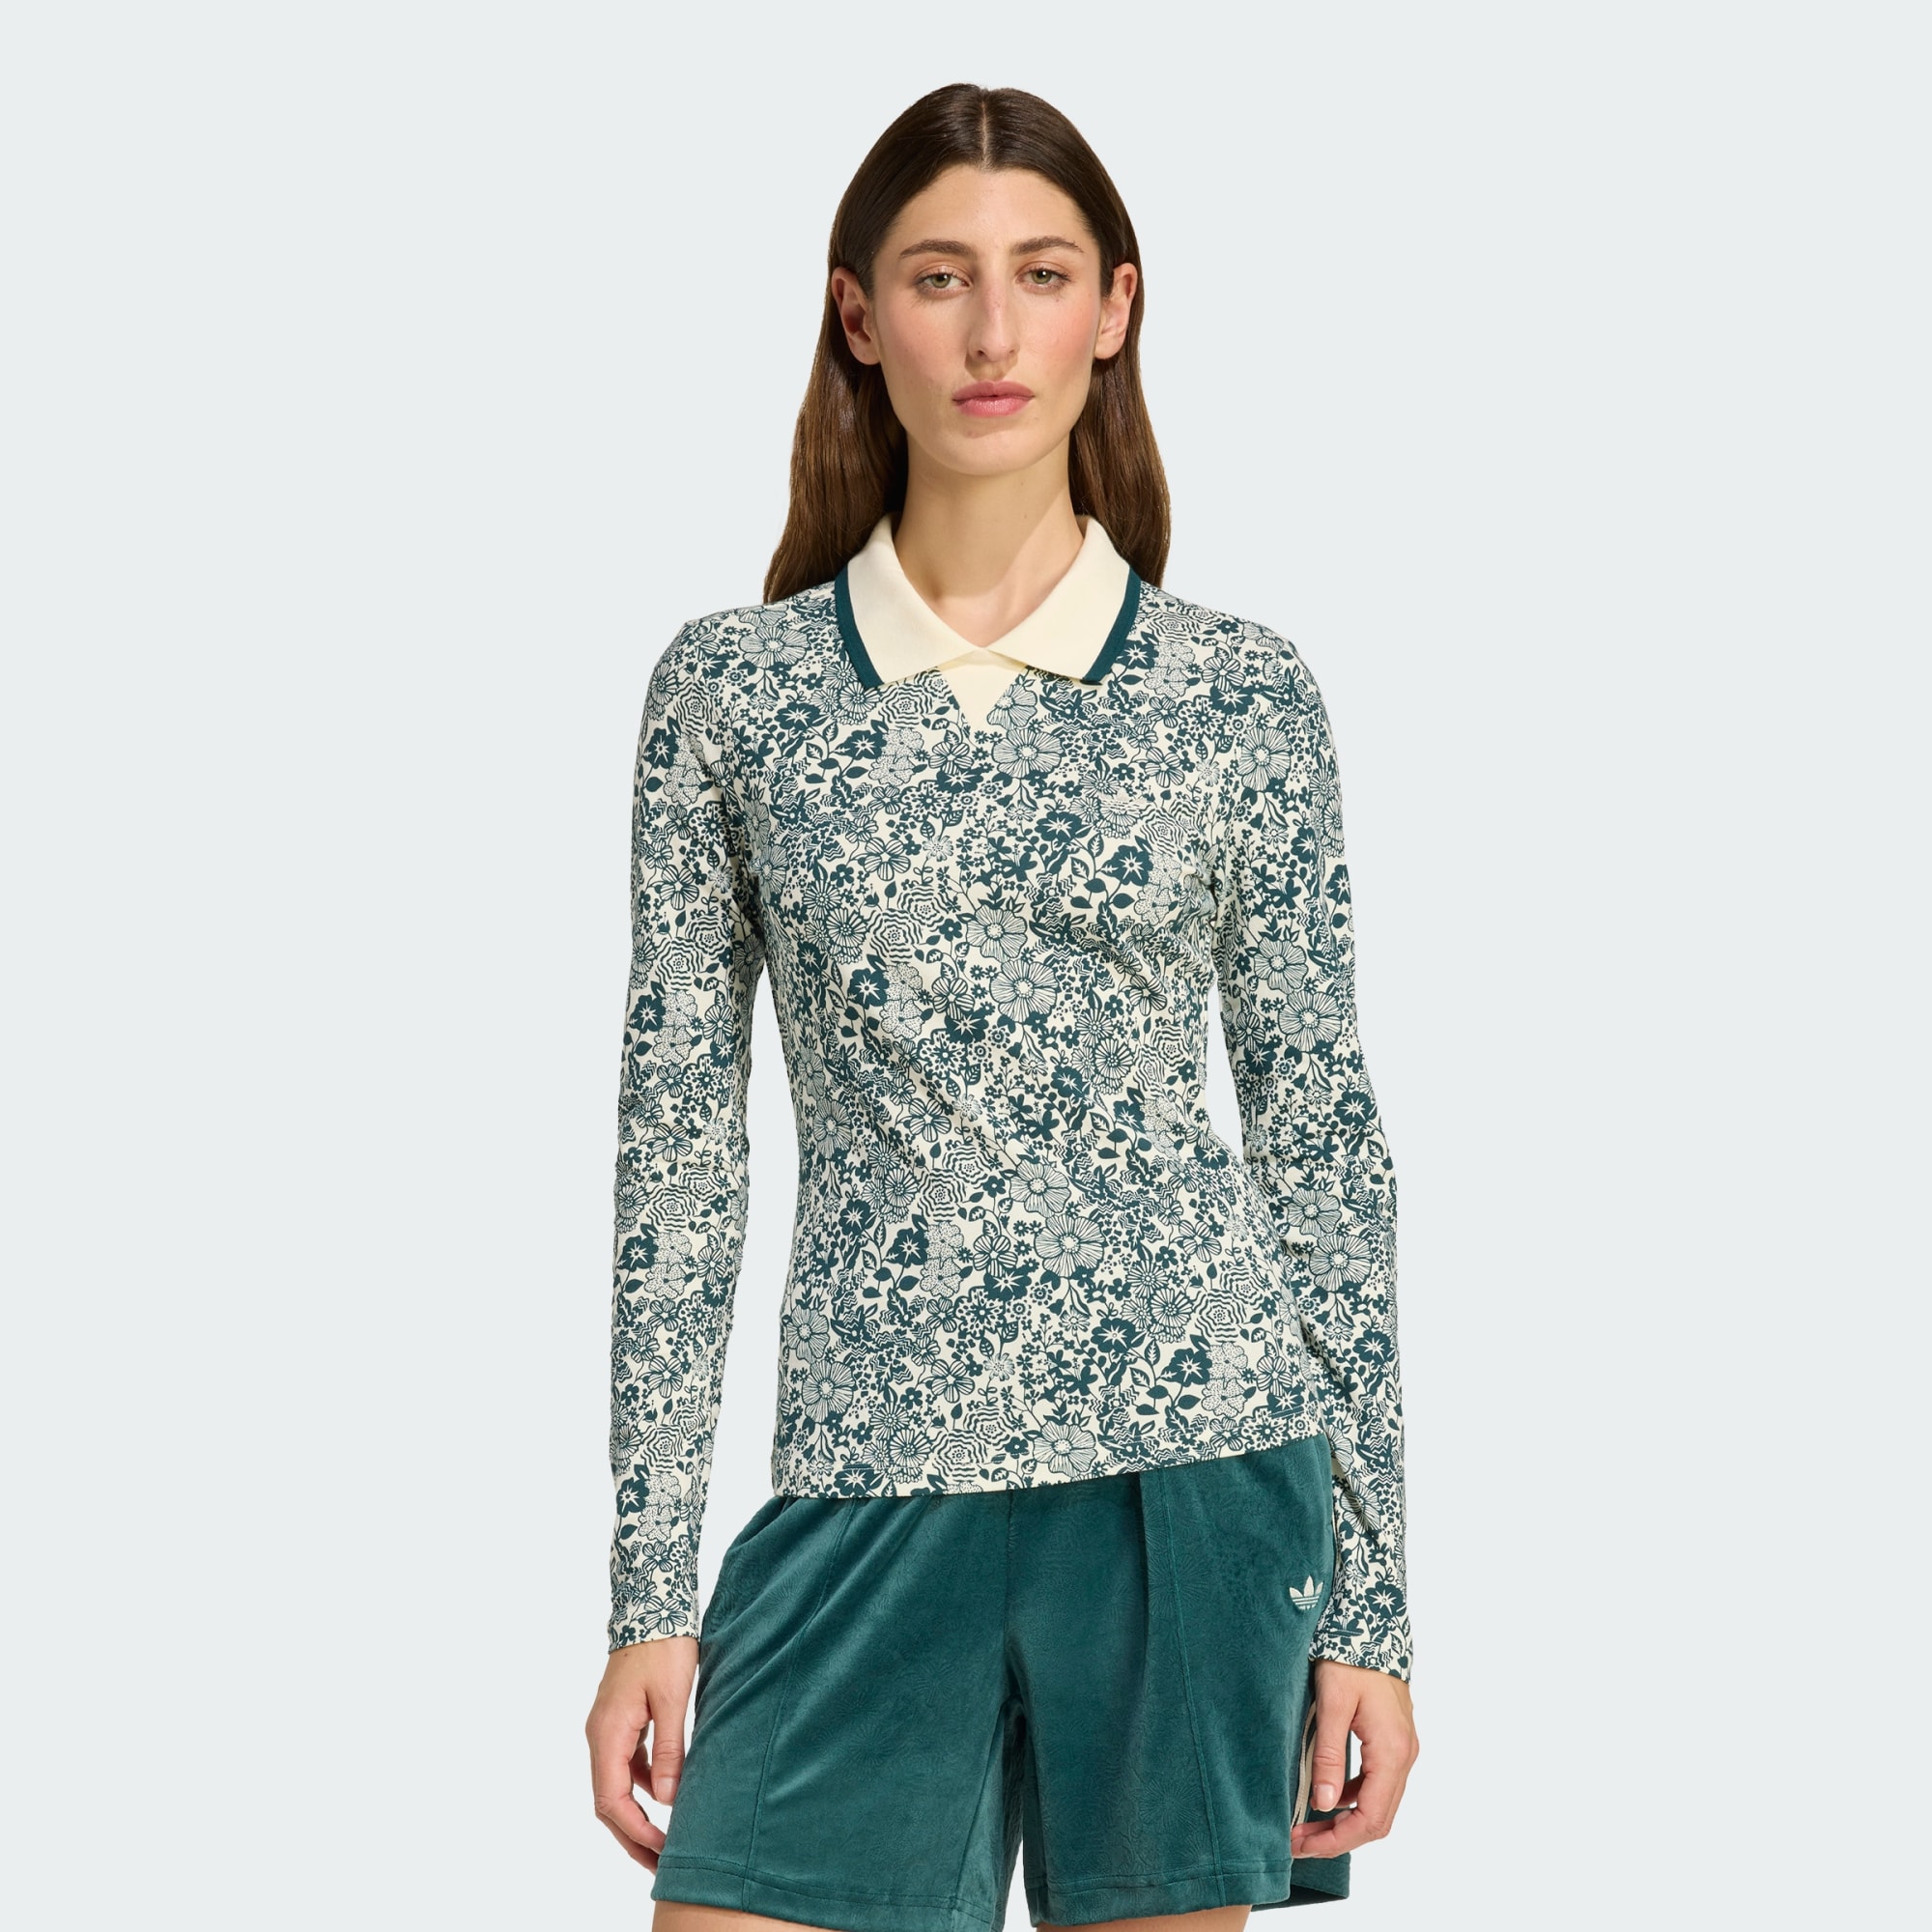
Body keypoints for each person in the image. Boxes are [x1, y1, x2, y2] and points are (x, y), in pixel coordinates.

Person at [585, 82, 1418, 1932]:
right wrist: (648, 1589)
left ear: (1114, 310)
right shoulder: (733, 695)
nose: (990, 332)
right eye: (938, 276)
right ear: (856, 315)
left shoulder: (1241, 697)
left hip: (1193, 1484)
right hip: (865, 1484)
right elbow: (677, 1162)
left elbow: (1321, 1144)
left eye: (1040, 275)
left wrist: (1374, 1605)